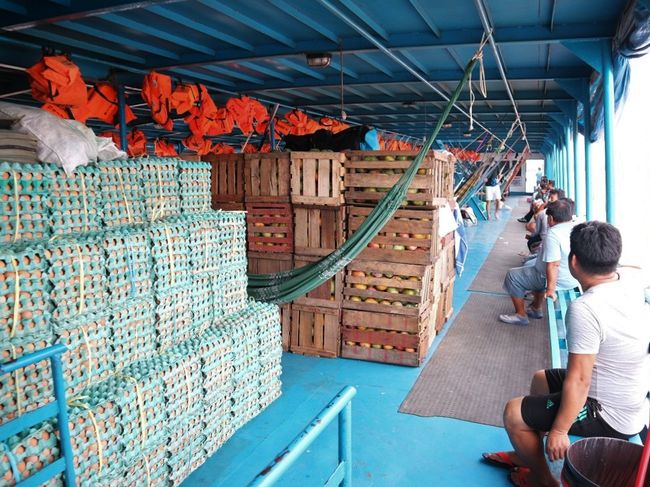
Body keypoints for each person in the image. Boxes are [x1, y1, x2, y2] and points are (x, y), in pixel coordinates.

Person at [483, 221, 650, 487]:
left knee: (514, 413)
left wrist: (559, 430)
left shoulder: (586, 308)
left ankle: (543, 480)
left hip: (609, 412)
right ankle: (528, 454)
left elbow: (580, 381)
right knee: (540, 379)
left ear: (573, 262)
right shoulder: (629, 282)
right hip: (630, 398)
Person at [501, 199, 578, 325]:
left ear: (551, 218)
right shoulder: (575, 227)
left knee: (512, 276)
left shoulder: (553, 234)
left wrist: (551, 290)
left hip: (559, 279)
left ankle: (520, 315)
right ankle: (536, 308)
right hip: (572, 277)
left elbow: (553, 265)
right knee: (533, 266)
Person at [525, 189, 566, 254]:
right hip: (556, 243)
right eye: (549, 197)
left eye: (551, 198)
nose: (549, 200)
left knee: (531, 241)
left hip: (545, 241)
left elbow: (538, 232)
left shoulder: (544, 214)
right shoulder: (566, 214)